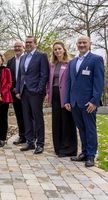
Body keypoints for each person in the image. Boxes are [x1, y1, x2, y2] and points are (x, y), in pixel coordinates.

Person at [65, 36, 105, 167]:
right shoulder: (72, 62)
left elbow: (98, 83)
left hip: (88, 103)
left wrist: (94, 101)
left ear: (89, 44)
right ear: (76, 44)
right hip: (74, 102)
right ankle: (84, 152)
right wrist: (67, 100)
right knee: (81, 128)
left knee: (90, 129)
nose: (82, 45)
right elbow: (69, 82)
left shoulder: (96, 59)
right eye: (79, 43)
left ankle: (91, 155)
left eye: (84, 42)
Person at [15, 36, 49, 154]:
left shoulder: (41, 56)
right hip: (24, 92)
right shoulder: (23, 57)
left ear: (35, 44)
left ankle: (40, 144)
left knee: (37, 118)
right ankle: (30, 142)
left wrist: (40, 90)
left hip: (35, 92)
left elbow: (44, 74)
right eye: (27, 42)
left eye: (30, 42)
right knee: (27, 118)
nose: (28, 44)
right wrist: (18, 91)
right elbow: (20, 76)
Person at [46, 41, 77, 157]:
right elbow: (49, 81)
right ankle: (58, 148)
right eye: (55, 49)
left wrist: (69, 98)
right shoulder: (52, 64)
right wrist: (48, 93)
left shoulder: (70, 63)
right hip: (54, 96)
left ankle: (69, 149)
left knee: (67, 122)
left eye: (59, 49)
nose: (57, 51)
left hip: (66, 96)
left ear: (64, 49)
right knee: (56, 121)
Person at [6, 41, 26, 145]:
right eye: (15, 46)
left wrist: (21, 88)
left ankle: (31, 136)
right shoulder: (10, 62)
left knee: (28, 115)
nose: (17, 48)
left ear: (23, 47)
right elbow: (9, 78)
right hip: (14, 92)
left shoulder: (27, 59)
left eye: (19, 46)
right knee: (19, 114)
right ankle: (22, 136)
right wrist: (14, 88)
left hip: (26, 92)